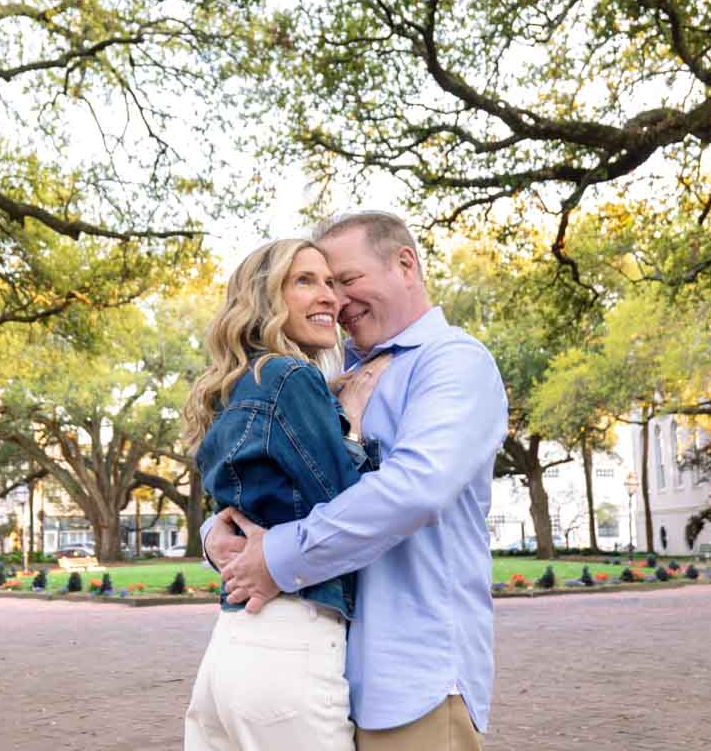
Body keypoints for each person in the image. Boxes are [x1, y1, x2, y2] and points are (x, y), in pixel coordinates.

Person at [209, 211, 509, 750]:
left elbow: (413, 489)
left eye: (345, 281)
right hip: (322, 673)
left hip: (410, 679)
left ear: (405, 264)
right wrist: (221, 535)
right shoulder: (327, 371)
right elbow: (275, 477)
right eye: (321, 283)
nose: (337, 301)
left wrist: (276, 556)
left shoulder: (454, 363)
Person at [181, 238, 388, 751]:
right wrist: (355, 427)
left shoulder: (237, 383)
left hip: (230, 652)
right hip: (290, 645)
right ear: (264, 298)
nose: (330, 299)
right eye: (304, 282)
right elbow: (352, 509)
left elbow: (235, 514)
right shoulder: (290, 375)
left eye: (331, 283)